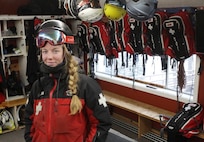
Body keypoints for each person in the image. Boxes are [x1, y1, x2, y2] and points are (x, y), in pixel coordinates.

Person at [24, 19, 112, 142]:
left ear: (66, 52)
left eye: (55, 51)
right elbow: (29, 120)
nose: (49, 57)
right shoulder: (38, 86)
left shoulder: (86, 85)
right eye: (45, 51)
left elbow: (101, 123)